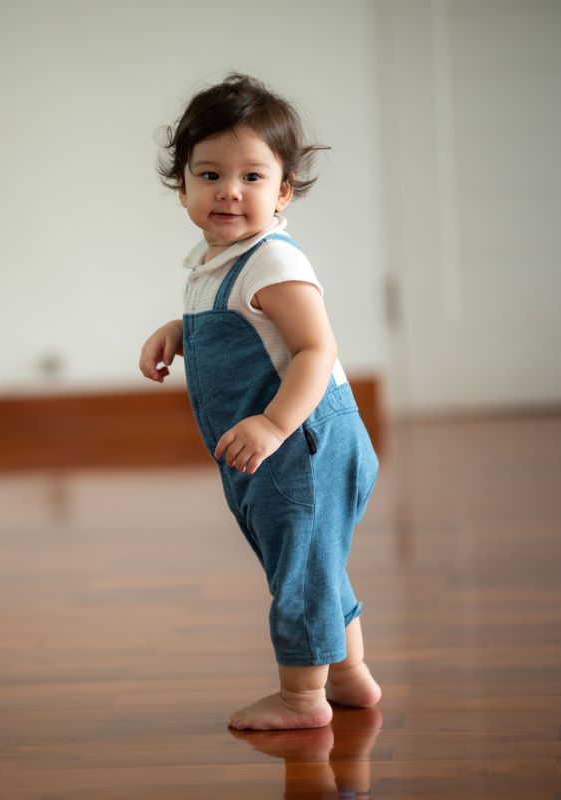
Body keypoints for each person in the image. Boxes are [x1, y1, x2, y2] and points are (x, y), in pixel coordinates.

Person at [138, 73, 381, 730]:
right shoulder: (213, 258)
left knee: (300, 570)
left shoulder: (273, 261)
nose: (229, 191)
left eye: (251, 176)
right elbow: (245, 326)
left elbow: (314, 349)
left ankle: (304, 698)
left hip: (302, 443)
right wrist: (178, 332)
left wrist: (276, 423)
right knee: (314, 558)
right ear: (182, 185)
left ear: (283, 192)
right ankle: (350, 674)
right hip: (277, 449)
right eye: (210, 174)